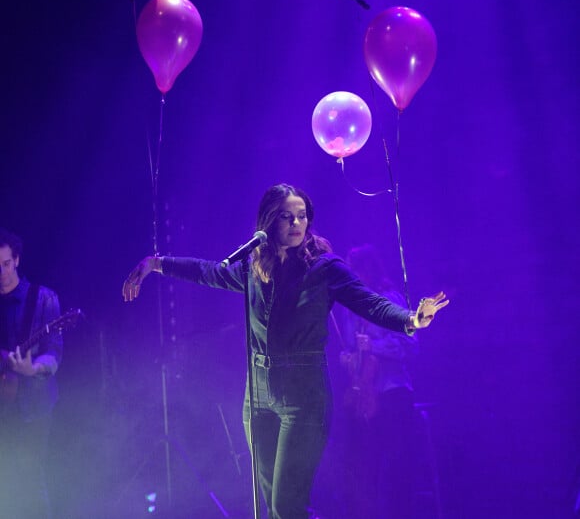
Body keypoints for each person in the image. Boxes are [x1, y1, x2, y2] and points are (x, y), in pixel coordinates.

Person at [122, 183, 449, 519]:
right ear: (268, 223)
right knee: (275, 509)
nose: (296, 224)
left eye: (302, 217)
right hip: (258, 397)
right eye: (287, 217)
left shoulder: (325, 268)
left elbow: (369, 302)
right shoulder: (253, 268)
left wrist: (412, 319)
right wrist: (157, 263)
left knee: (286, 507)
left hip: (304, 397)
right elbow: (210, 271)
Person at [338, 243, 421, 518]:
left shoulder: (390, 299)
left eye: (355, 271)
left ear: (367, 271)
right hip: (365, 399)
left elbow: (410, 346)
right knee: (364, 470)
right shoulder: (352, 309)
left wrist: (373, 346)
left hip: (393, 394)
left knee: (397, 469)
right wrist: (348, 358)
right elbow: (352, 349)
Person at [0, 228, 63, 518]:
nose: (1, 272)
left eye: (6, 264)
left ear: (16, 260)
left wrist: (32, 368)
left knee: (30, 480)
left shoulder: (43, 299)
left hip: (32, 408)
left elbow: (54, 352)